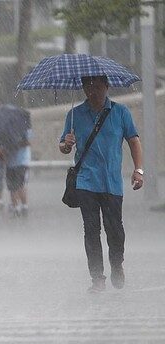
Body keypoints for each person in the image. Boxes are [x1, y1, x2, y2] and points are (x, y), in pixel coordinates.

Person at [59, 75, 143, 293]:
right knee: (91, 229)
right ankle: (97, 278)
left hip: (112, 182)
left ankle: (117, 264)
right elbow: (63, 146)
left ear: (106, 87)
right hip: (86, 181)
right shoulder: (74, 115)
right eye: (88, 86)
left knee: (114, 229)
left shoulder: (121, 112)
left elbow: (133, 140)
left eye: (97, 86)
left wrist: (138, 170)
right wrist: (66, 144)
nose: (92, 91)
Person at [6, 124, 32, 218]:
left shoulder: (24, 127)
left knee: (21, 185)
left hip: (22, 161)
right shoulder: (6, 129)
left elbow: (28, 142)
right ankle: (16, 207)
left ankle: (24, 207)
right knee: (12, 187)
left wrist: (15, 144)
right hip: (10, 162)